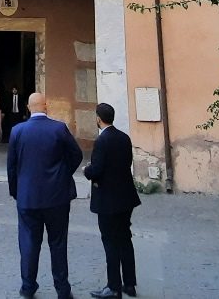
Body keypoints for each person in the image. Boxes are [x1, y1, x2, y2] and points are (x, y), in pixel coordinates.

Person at [6, 92, 82, 299]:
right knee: (58, 243)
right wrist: (62, 174)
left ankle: (28, 288)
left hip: (27, 197)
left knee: (29, 243)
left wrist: (16, 191)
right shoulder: (58, 129)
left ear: (29, 107)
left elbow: (11, 167)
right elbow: (77, 155)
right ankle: (63, 290)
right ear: (46, 106)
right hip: (57, 197)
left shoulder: (17, 131)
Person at [84, 102, 141, 298]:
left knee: (110, 242)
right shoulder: (124, 138)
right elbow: (127, 163)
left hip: (107, 200)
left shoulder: (102, 141)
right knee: (125, 239)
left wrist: (86, 171)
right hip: (126, 197)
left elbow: (97, 169)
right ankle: (130, 284)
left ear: (99, 118)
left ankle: (113, 286)